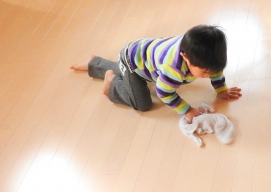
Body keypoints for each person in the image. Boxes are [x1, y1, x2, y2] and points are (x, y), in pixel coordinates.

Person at [70, 25, 242, 121]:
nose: (209, 74)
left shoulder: (204, 54)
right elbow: (164, 92)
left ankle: (94, 63)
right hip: (133, 64)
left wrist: (221, 89)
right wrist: (187, 109)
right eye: (204, 72)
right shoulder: (172, 68)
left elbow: (215, 70)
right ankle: (112, 80)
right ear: (185, 57)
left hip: (143, 55)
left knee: (134, 71)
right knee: (143, 104)